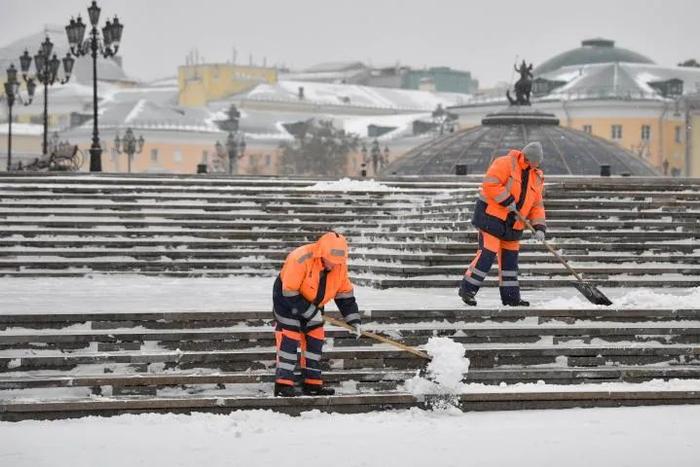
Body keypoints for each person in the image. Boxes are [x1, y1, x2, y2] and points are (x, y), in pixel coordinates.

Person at [272, 231, 362, 397]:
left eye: (337, 263)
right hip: (287, 302)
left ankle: (312, 384)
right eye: (331, 262)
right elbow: (290, 291)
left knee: (315, 340)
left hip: (314, 302)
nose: (333, 266)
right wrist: (310, 312)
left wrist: (353, 320)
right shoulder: (299, 258)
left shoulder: (339, 265)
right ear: (321, 254)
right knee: (289, 341)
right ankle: (283, 385)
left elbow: (344, 295)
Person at [459, 142, 547, 307]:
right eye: (536, 161)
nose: (538, 164)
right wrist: (506, 199)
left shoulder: (537, 176)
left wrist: (539, 227)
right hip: (491, 218)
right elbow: (490, 183)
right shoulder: (505, 163)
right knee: (487, 254)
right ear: (529, 158)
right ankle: (468, 289)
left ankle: (511, 298)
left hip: (513, 226)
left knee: (510, 263)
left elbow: (537, 206)